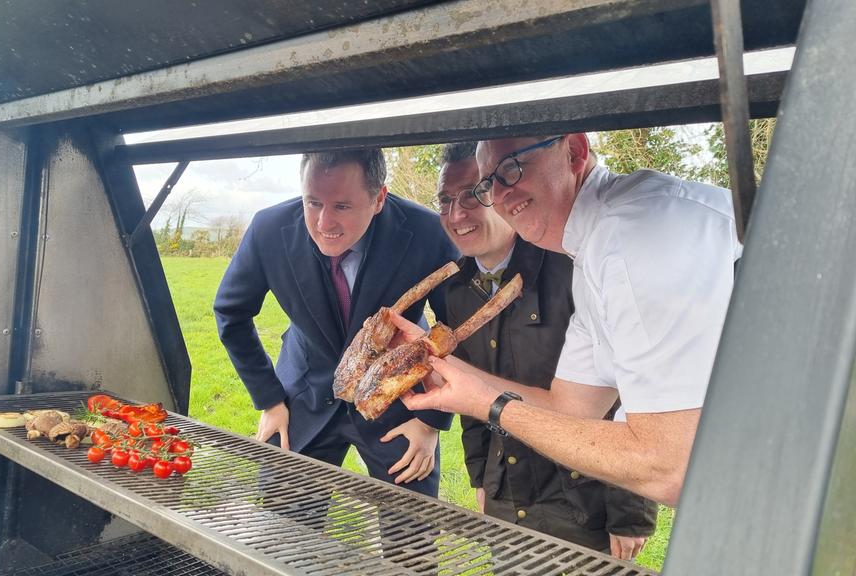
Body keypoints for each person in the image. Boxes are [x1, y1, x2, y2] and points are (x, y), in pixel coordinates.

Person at [401, 133, 742, 506]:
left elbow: (671, 469)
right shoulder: (592, 247)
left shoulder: (632, 239)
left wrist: (492, 406)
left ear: (575, 151)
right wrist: (440, 365)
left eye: (512, 168)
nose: (499, 195)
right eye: (489, 183)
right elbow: (570, 406)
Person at [435, 142, 655, 558]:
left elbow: (629, 391)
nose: (457, 214)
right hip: (506, 493)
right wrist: (480, 477)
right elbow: (469, 400)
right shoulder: (457, 290)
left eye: (472, 194)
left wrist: (630, 513)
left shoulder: (573, 267)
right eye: (445, 200)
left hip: (581, 500)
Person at [214, 148, 459, 496]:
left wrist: (430, 422)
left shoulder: (427, 232)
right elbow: (230, 312)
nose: (323, 223)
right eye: (313, 202)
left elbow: (455, 328)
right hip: (303, 395)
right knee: (283, 531)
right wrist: (269, 400)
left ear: (379, 199)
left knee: (412, 538)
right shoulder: (268, 230)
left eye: (341, 206)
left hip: (397, 402)